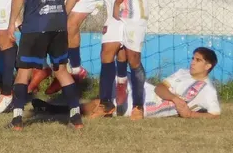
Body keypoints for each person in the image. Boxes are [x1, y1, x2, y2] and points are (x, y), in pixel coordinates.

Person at [5, 0, 82, 131]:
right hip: (58, 22)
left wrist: (12, 22)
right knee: (61, 70)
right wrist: (62, 14)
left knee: (24, 70)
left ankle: (18, 119)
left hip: (34, 23)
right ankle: (76, 118)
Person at [78, 47, 221, 119]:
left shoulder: (207, 90)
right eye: (192, 59)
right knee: (114, 71)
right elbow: (160, 88)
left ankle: (66, 110)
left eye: (198, 60)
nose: (192, 63)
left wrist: (190, 114)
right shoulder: (183, 72)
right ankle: (112, 97)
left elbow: (215, 114)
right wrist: (175, 98)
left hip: (153, 104)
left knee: (101, 104)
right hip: (149, 90)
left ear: (208, 66)